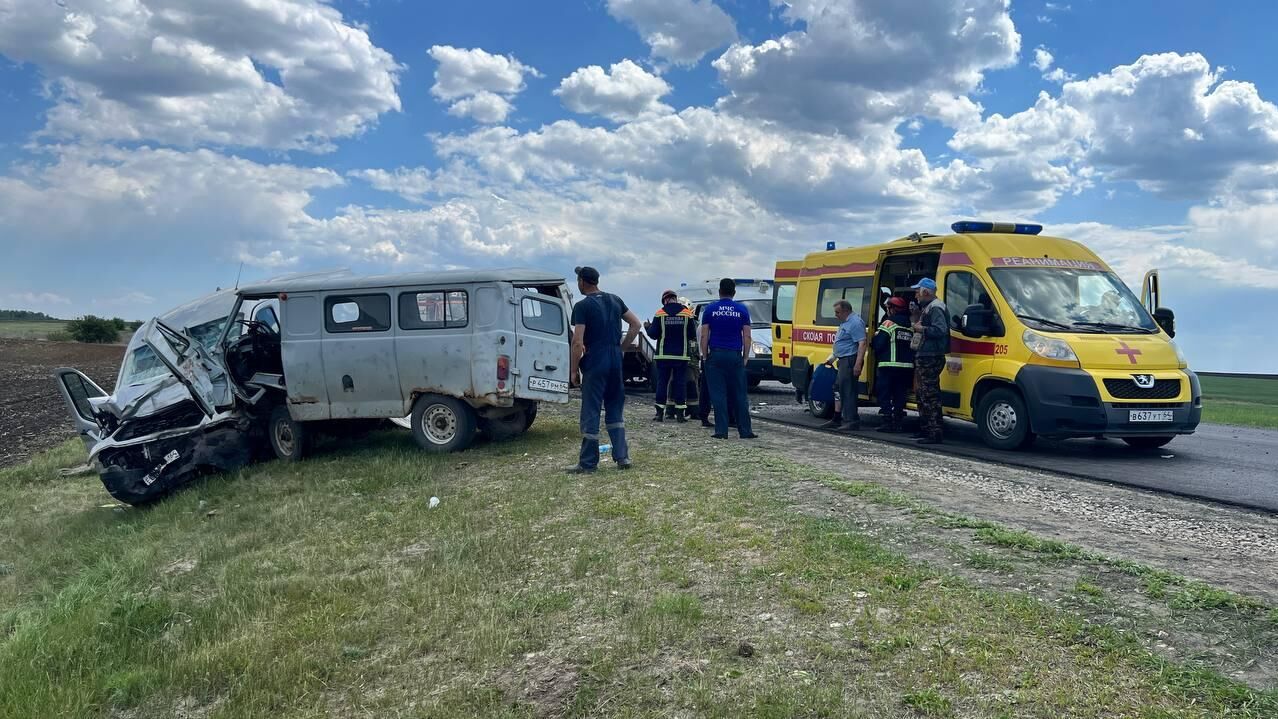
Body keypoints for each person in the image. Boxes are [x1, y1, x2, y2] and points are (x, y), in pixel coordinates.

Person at [567, 266, 643, 473]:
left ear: (583, 281)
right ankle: (622, 457)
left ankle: (588, 462)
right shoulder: (615, 300)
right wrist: (622, 348)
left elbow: (577, 341)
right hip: (614, 361)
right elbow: (636, 324)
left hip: (595, 361)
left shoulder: (582, 306)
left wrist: (574, 371)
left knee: (591, 411)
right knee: (615, 410)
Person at [700, 278, 758, 440]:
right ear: (734, 292)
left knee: (718, 394)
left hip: (716, 355)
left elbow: (704, 335)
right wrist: (745, 356)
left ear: (719, 291)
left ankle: (721, 431)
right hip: (734, 355)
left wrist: (705, 355)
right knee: (739, 394)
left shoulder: (710, 309)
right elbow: (747, 336)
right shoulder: (742, 310)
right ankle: (745, 431)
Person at [645, 289, 697, 422]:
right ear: (675, 298)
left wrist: (647, 327)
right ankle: (680, 414)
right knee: (680, 383)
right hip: (681, 356)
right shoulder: (687, 313)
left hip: (663, 355)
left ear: (665, 300)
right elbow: (692, 334)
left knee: (662, 383)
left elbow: (653, 334)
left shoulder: (660, 313)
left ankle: (659, 414)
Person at [910, 278, 950, 444]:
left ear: (926, 291)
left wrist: (921, 328)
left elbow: (940, 330)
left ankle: (934, 432)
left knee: (930, 395)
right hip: (926, 354)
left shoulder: (935, 308)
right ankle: (926, 429)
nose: (916, 295)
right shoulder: (929, 307)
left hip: (931, 355)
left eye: (917, 291)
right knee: (922, 393)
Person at [819, 299, 867, 431]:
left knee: (848, 390)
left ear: (846, 310)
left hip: (850, 360)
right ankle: (837, 417)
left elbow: (862, 343)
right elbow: (842, 343)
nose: (836, 315)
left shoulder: (855, 323)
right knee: (838, 389)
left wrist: (857, 364)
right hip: (843, 359)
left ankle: (851, 420)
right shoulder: (845, 323)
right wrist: (833, 357)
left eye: (837, 312)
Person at [872, 296, 915, 433]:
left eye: (888, 308)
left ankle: (887, 422)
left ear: (892, 309)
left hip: (888, 365)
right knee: (899, 394)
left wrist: (874, 339)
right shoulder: (910, 325)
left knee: (884, 393)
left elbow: (878, 344)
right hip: (906, 367)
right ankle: (898, 422)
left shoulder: (888, 324)